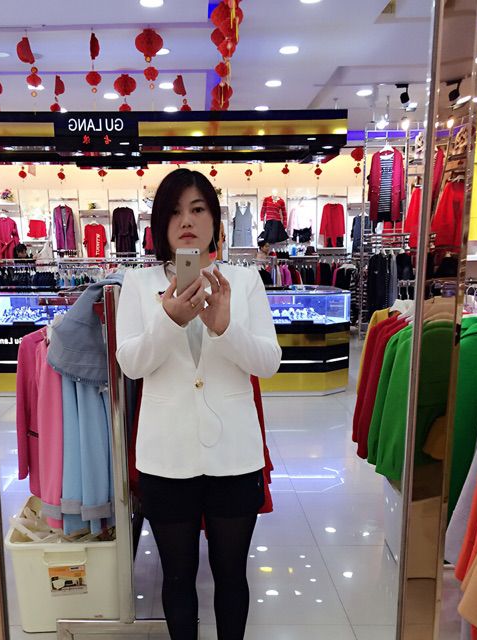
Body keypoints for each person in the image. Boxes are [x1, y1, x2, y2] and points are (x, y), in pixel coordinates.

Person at [116, 169, 280, 640]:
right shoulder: (137, 282)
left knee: (232, 575)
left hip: (234, 454)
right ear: (159, 225)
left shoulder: (244, 281)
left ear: (215, 220)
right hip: (165, 456)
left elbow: (268, 362)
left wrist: (225, 327)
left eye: (197, 209)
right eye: (174, 212)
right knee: (176, 577)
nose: (186, 221)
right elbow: (131, 364)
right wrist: (168, 320)